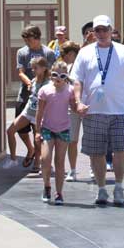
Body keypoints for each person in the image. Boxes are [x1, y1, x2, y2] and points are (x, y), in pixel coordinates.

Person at [71, 15, 124, 206]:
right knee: (97, 152)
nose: (102, 34)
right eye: (98, 30)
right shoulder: (85, 52)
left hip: (120, 110)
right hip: (93, 110)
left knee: (120, 149)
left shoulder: (123, 51)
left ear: (111, 30)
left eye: (105, 29)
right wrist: (78, 101)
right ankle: (102, 188)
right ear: (92, 33)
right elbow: (77, 80)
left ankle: (119, 187)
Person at [36, 61, 78, 205]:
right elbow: (39, 112)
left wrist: (80, 106)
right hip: (47, 128)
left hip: (63, 129)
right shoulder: (45, 90)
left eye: (62, 75)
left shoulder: (70, 90)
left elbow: (74, 107)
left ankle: (59, 192)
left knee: (60, 162)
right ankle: (47, 185)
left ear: (66, 76)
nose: (58, 78)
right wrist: (37, 131)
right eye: (55, 75)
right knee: (45, 159)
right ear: (51, 75)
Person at [14, 26, 56, 167]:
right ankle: (30, 150)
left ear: (37, 37)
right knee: (20, 129)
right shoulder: (22, 52)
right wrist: (29, 83)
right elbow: (21, 72)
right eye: (25, 40)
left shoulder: (48, 52)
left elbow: (51, 72)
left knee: (37, 130)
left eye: (29, 39)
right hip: (25, 94)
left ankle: (38, 162)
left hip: (42, 95)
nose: (27, 42)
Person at [5, 55, 50, 168]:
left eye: (36, 68)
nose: (33, 71)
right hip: (28, 111)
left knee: (37, 139)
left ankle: (38, 164)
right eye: (32, 68)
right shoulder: (34, 80)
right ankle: (13, 159)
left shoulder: (48, 83)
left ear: (44, 68)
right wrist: (30, 86)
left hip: (39, 114)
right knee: (10, 131)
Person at [56, 40, 83, 181]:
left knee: (90, 139)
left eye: (64, 54)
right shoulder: (64, 67)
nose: (62, 57)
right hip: (71, 108)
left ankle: (93, 168)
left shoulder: (82, 63)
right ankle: (72, 170)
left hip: (86, 104)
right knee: (72, 140)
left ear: (71, 53)